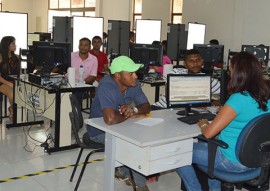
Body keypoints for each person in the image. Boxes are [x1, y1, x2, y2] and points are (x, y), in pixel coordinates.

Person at [176, 51, 270, 191]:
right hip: (257, 160)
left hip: (231, 161)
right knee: (211, 147)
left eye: (231, 69)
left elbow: (208, 134)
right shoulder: (266, 96)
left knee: (177, 152)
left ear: (238, 72)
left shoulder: (238, 99)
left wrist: (203, 124)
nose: (229, 73)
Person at [86, 55, 151, 191]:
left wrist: (133, 109)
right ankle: (139, 183)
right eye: (131, 73)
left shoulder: (133, 84)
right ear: (118, 76)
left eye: (135, 73)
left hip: (122, 127)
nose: (135, 76)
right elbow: (110, 120)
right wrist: (127, 113)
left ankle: (123, 171)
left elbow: (146, 106)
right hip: (99, 131)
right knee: (132, 145)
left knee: (143, 139)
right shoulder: (107, 85)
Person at [152, 49, 220, 108]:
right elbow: (169, 95)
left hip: (186, 112)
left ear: (202, 62)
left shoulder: (208, 80)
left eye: (198, 60)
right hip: (162, 107)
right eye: (191, 61)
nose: (195, 63)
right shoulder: (176, 72)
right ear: (185, 64)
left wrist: (211, 103)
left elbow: (227, 96)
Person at [0, 36, 21, 121]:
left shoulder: (17, 57)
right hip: (2, 82)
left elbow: (20, 74)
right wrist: (10, 84)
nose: (15, 45)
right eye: (13, 44)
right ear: (7, 46)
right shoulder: (1, 57)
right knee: (13, 94)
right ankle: (13, 109)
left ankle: (13, 109)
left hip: (13, 82)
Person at [70, 37, 98, 101]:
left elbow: (93, 76)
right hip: (69, 83)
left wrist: (82, 83)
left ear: (90, 47)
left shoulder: (93, 59)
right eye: (81, 45)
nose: (83, 47)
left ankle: (75, 110)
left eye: (86, 45)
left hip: (83, 84)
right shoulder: (71, 55)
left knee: (76, 94)